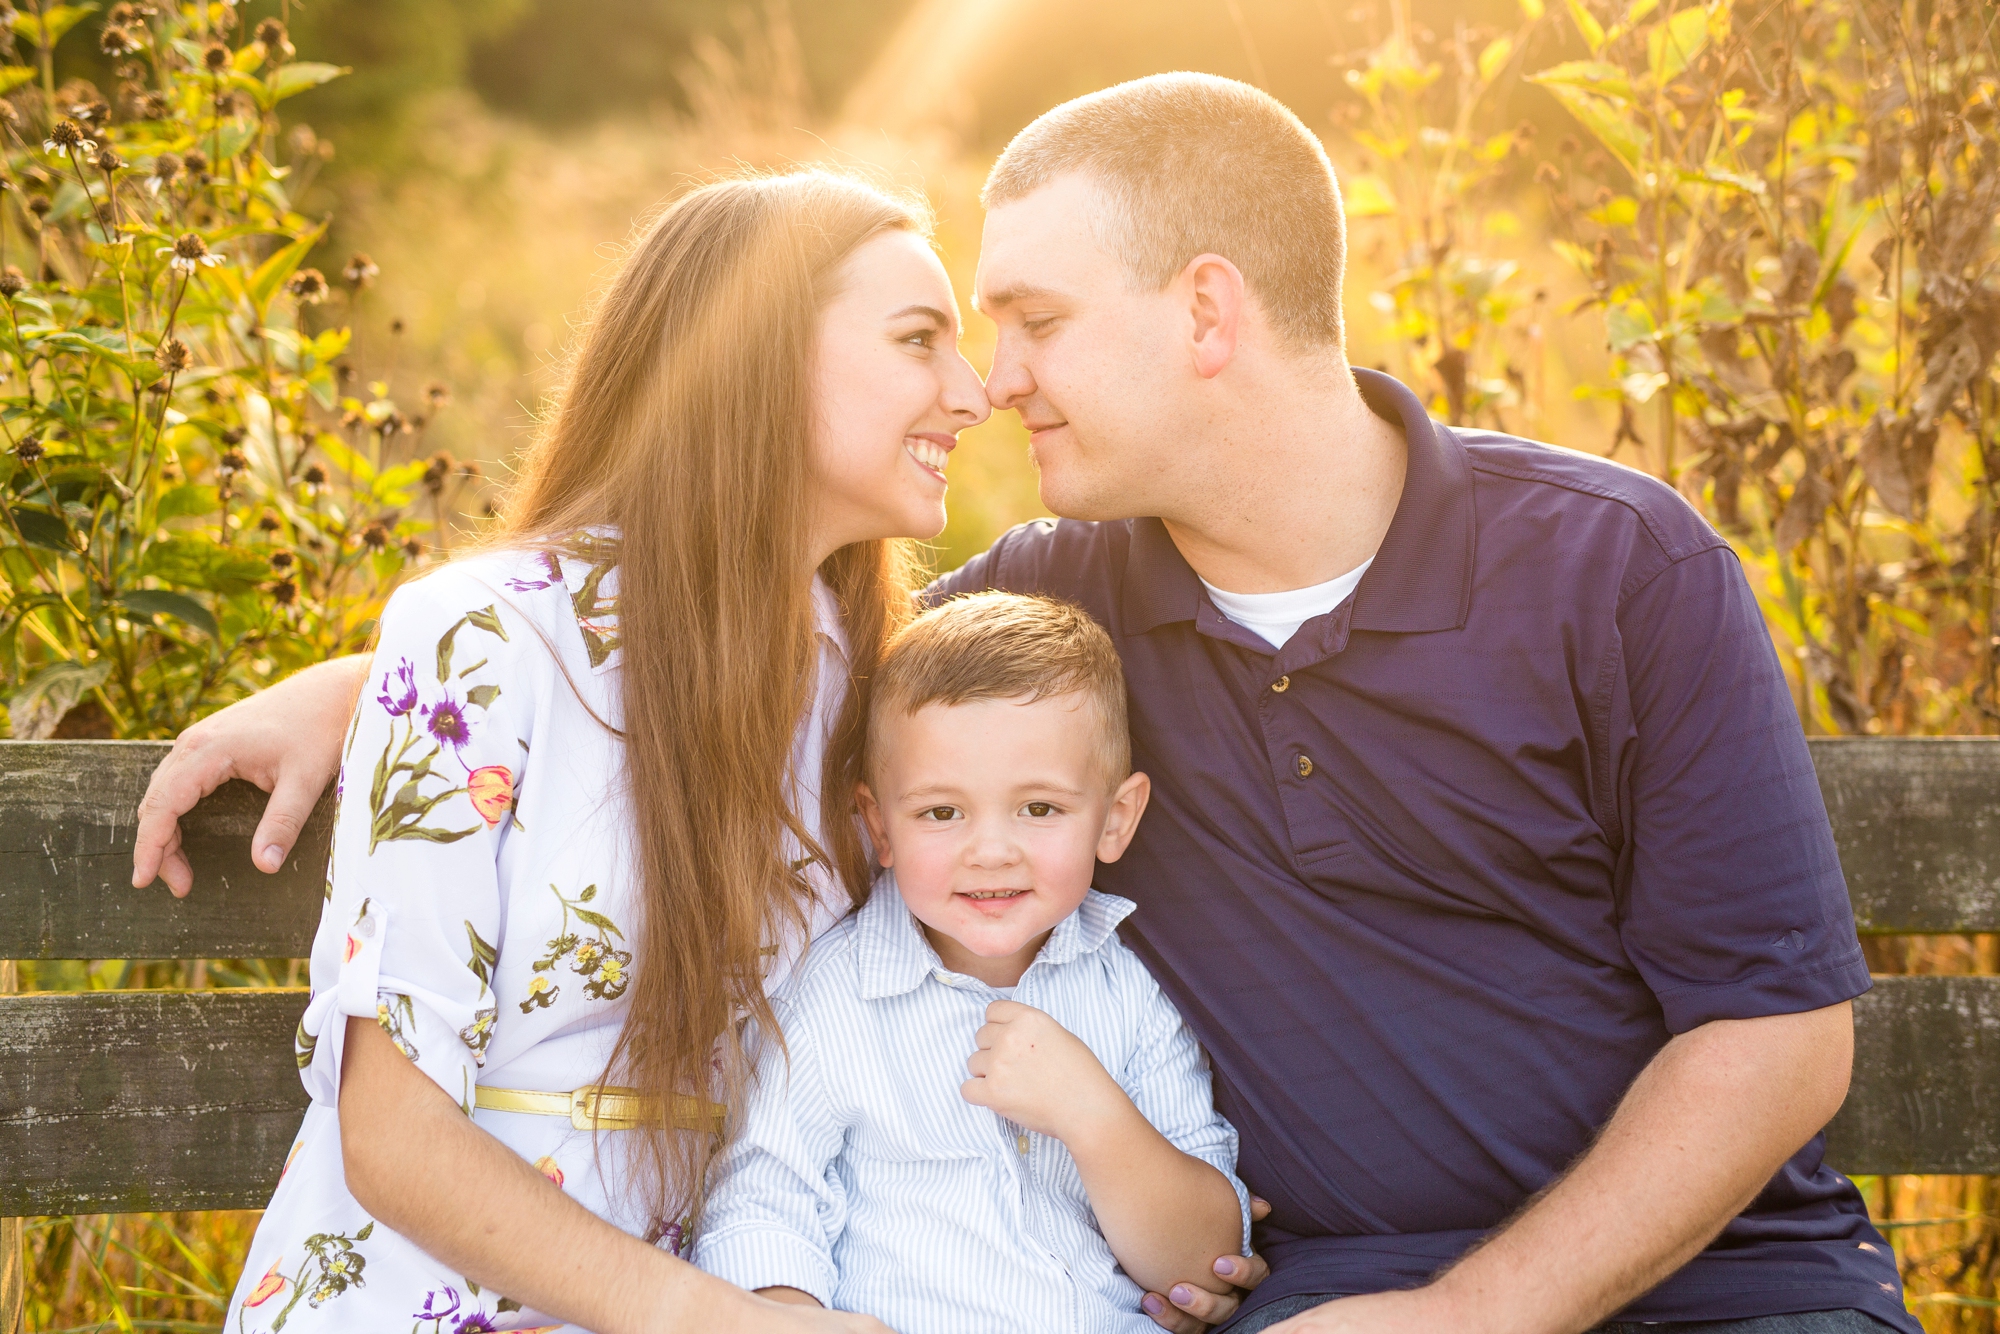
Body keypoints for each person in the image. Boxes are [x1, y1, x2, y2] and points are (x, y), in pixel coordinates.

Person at [139, 73, 1916, 1334]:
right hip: (1284, 1301)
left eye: (1028, 320)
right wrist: (378, 680)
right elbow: (639, 638)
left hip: (1725, 1301)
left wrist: (1465, 1314)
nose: (991, 381)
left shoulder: (1616, 569)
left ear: (1204, 310)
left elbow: (1776, 1033)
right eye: (945, 334)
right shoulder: (1065, 604)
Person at [219, 168, 998, 1334]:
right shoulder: (481, 639)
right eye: (917, 340)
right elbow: (391, 1136)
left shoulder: (875, 685)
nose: (972, 392)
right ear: (755, 350)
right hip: (432, 1297)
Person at [692, 591, 1251, 1331]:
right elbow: (763, 1202)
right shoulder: (832, 997)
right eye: (941, 812)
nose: (991, 850)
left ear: (1114, 820)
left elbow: (1201, 1261)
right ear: (878, 827)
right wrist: (792, 1314)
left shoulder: (1133, 991)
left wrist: (1093, 1116)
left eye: (1039, 809)